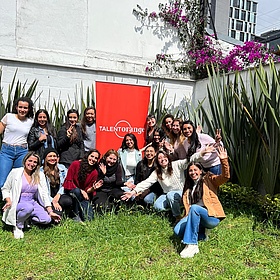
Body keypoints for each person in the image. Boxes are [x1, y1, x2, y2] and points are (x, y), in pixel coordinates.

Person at [121, 149, 211, 220]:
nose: (162, 159)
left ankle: (177, 216)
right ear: (157, 161)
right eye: (159, 158)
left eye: (164, 156)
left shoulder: (176, 165)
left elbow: (190, 160)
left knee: (170, 195)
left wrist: (202, 153)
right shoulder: (157, 172)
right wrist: (133, 192)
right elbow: (146, 182)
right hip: (166, 194)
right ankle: (175, 207)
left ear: (168, 157)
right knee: (157, 206)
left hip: (182, 192)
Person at [174, 146, 230, 258]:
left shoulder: (209, 180)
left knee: (195, 208)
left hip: (211, 217)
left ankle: (192, 244)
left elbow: (225, 177)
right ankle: (202, 234)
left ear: (200, 171)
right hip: (195, 215)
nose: (193, 172)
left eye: (195, 170)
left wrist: (224, 161)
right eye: (190, 170)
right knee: (177, 231)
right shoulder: (188, 187)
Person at [1, 151, 61, 239]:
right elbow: (5, 188)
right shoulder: (15, 172)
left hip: (32, 201)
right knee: (27, 208)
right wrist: (8, 200)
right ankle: (18, 225)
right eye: (30, 161)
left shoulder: (39, 175)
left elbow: (44, 193)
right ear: (25, 161)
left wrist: (50, 212)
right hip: (18, 201)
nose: (32, 164)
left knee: (46, 220)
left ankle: (26, 218)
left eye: (35, 162)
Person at [0, 97, 34, 195]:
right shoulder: (8, 116)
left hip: (22, 151)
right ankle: (5, 203)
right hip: (7, 151)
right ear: (16, 107)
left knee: (18, 180)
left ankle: (16, 206)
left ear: (29, 109)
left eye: (25, 108)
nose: (22, 110)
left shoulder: (30, 121)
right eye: (20, 107)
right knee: (3, 181)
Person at [63, 149, 102, 222]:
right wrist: (81, 191)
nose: (93, 159)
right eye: (92, 156)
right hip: (71, 190)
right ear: (88, 156)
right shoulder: (75, 164)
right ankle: (75, 214)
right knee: (77, 191)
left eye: (96, 158)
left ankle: (82, 214)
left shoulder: (94, 172)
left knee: (89, 218)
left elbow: (88, 190)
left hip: (83, 195)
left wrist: (93, 188)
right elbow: (68, 181)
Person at [41, 148, 72, 217]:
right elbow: (42, 191)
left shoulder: (62, 168)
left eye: (54, 156)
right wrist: (53, 201)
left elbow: (65, 183)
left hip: (59, 196)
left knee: (67, 201)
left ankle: (67, 214)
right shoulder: (40, 171)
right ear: (45, 158)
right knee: (56, 214)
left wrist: (58, 195)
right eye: (50, 156)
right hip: (47, 198)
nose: (52, 158)